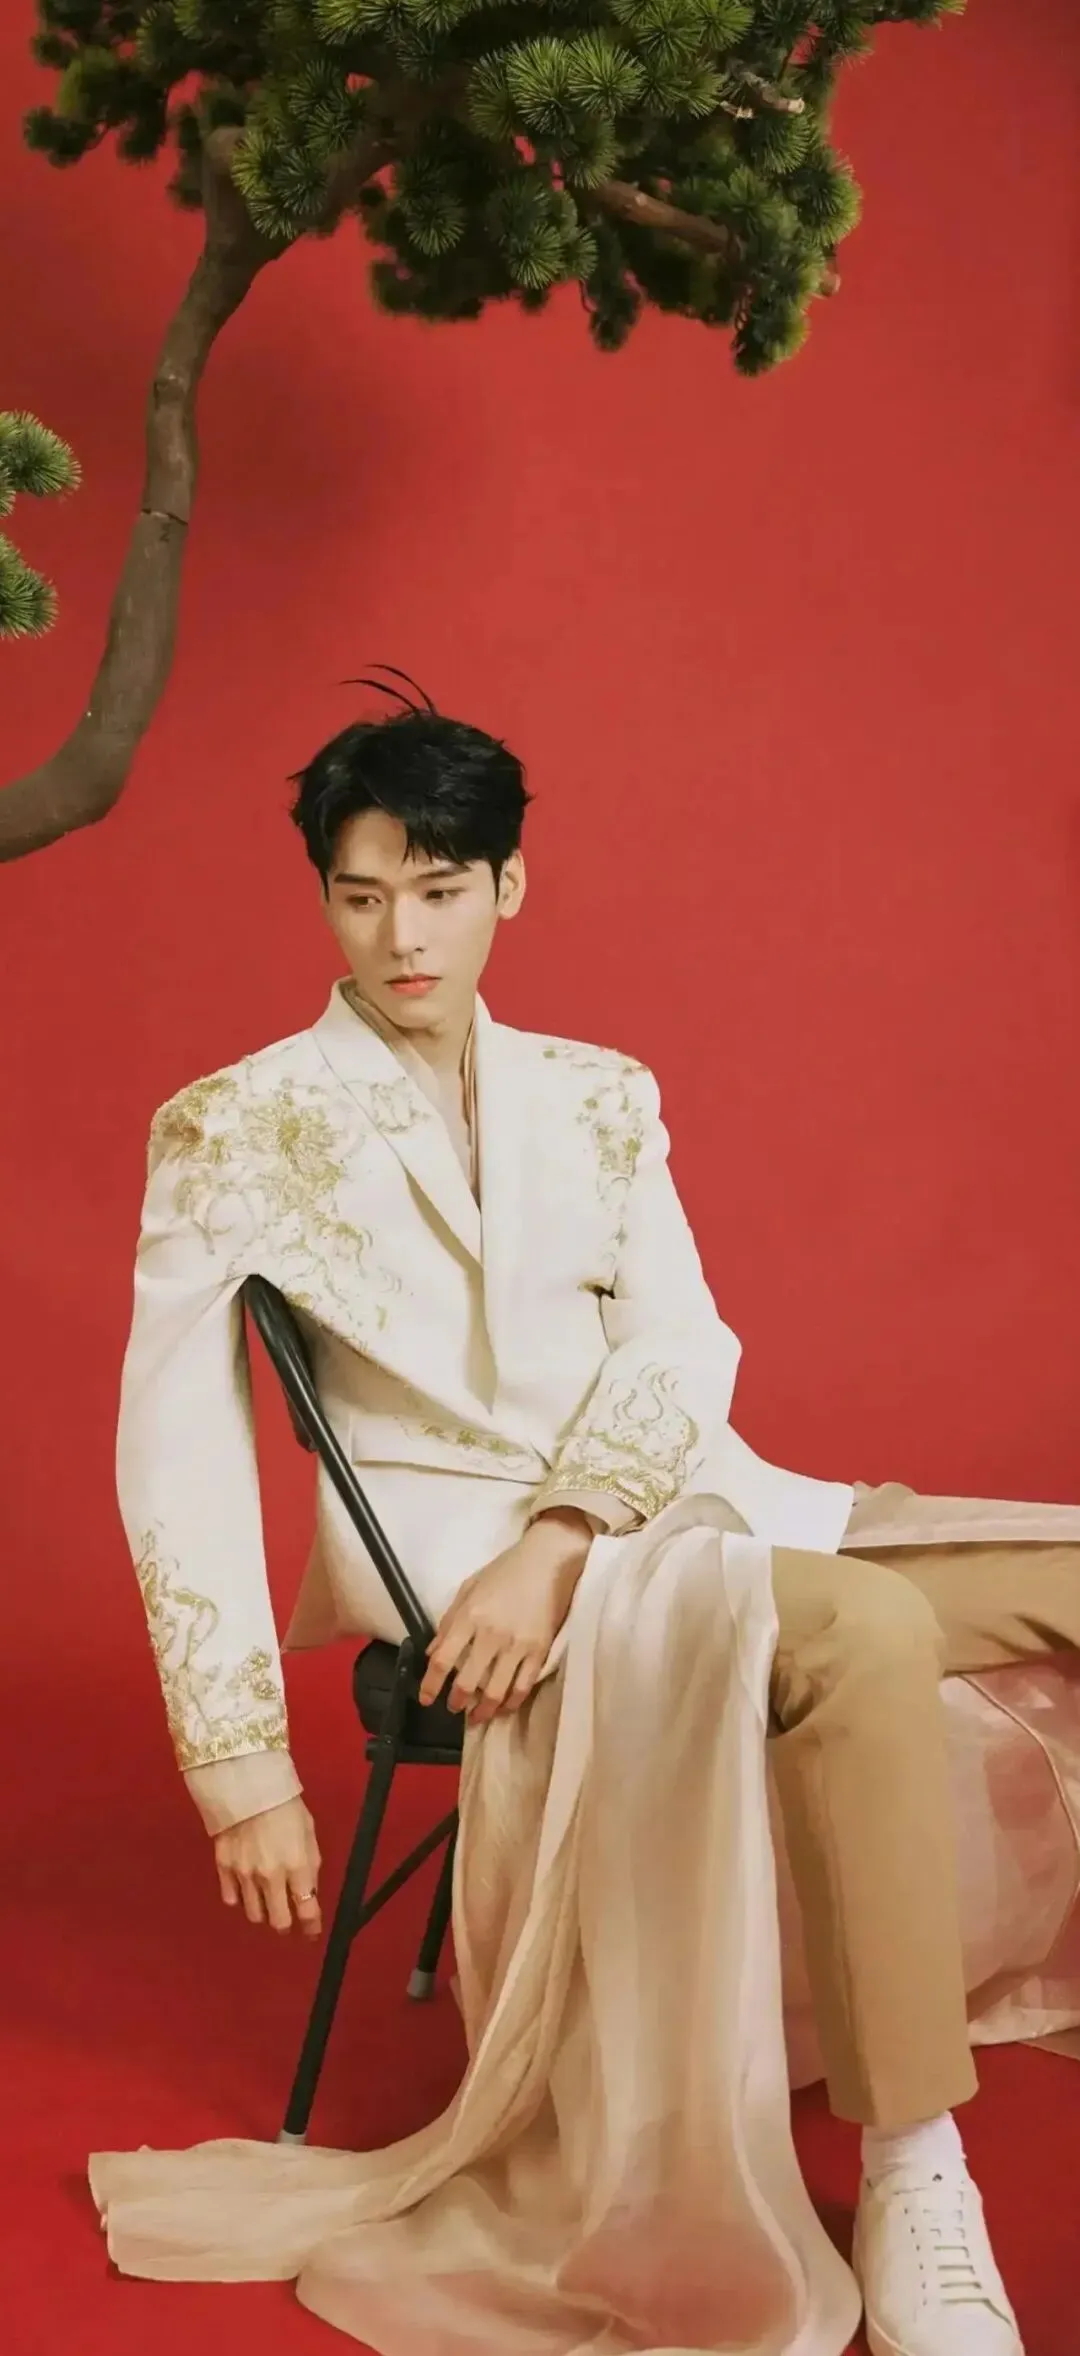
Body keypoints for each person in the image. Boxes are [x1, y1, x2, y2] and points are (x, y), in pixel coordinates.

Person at [90, 685, 1080, 2356]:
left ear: (510, 885)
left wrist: (567, 1534)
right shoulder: (233, 1124)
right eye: (360, 895)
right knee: (871, 1632)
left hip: (662, 1510)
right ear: (323, 895)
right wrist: (240, 1768)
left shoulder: (603, 1094)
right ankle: (917, 2167)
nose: (402, 937)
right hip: (460, 1579)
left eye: (440, 889)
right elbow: (174, 1441)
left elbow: (684, 1344)